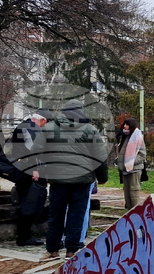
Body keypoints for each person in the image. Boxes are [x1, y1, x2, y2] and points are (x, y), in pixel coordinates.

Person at [40, 101, 108, 261]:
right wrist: (102, 178)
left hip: (58, 180)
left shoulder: (49, 128)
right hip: (82, 180)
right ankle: (72, 250)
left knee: (55, 215)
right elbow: (100, 157)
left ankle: (52, 250)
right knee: (76, 215)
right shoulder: (90, 130)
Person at [8, 111, 49, 247]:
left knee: (26, 202)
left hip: (23, 170)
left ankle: (24, 236)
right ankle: (24, 237)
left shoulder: (24, 126)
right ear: (42, 120)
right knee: (28, 203)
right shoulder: (30, 128)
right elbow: (32, 151)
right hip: (28, 172)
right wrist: (35, 169)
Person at [115, 118, 146, 211]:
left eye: (127, 125)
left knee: (134, 193)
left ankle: (136, 212)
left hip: (134, 170)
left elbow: (142, 155)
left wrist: (131, 162)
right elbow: (122, 153)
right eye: (124, 124)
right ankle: (129, 211)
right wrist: (118, 161)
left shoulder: (138, 138)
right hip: (124, 170)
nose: (125, 126)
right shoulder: (124, 137)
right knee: (127, 193)